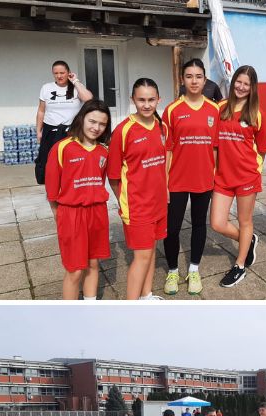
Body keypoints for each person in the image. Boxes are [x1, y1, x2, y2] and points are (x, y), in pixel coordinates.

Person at [161, 59, 218, 295]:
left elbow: (215, 147)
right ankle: (173, 271)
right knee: (171, 228)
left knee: (198, 224)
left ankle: (194, 269)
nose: (194, 81)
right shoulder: (172, 110)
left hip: (203, 179)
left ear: (205, 80)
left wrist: (214, 175)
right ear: (182, 80)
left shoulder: (214, 110)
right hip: (176, 180)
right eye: (189, 76)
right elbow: (167, 149)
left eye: (198, 76)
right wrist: (163, 183)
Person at [45, 100, 111, 301]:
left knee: (93, 264)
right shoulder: (62, 147)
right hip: (71, 214)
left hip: (97, 213)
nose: (96, 127)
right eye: (92, 121)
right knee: (74, 270)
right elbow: (52, 188)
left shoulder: (103, 151)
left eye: (102, 124)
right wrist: (59, 214)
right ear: (82, 118)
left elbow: (99, 182)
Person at [108, 79, 168, 300]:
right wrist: (126, 202)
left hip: (159, 203)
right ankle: (130, 312)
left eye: (151, 99)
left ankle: (146, 296)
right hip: (137, 206)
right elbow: (113, 176)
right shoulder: (124, 131)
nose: (146, 104)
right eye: (141, 99)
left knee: (151, 252)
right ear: (133, 100)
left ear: (158, 100)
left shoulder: (162, 127)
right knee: (141, 257)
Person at [211, 65, 264, 288]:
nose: (241, 87)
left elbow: (261, 149)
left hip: (246, 178)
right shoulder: (220, 108)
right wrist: (214, 169)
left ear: (252, 88)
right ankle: (248, 240)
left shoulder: (257, 114)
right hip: (222, 177)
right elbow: (214, 145)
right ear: (233, 83)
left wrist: (253, 172)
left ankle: (240, 265)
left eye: (246, 84)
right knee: (217, 223)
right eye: (238, 82)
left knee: (245, 221)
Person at [35, 60, 92, 185]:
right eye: (56, 73)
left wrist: (75, 81)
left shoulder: (76, 87)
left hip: (71, 131)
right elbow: (41, 111)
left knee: (71, 160)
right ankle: (53, 184)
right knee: (49, 160)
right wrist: (38, 131)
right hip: (51, 131)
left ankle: (71, 183)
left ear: (68, 73)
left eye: (62, 73)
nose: (59, 76)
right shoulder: (46, 88)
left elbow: (89, 99)